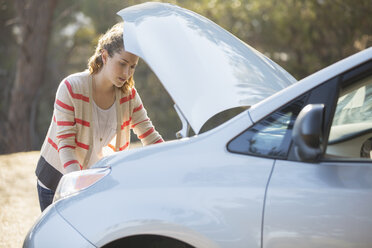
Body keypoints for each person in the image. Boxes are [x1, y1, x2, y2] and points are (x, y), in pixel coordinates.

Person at [35, 22, 164, 211]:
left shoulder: (129, 96)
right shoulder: (70, 88)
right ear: (104, 56)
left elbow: (150, 137)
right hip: (57, 180)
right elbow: (66, 145)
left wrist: (174, 163)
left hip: (93, 185)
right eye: (122, 64)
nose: (127, 73)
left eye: (133, 67)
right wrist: (77, 189)